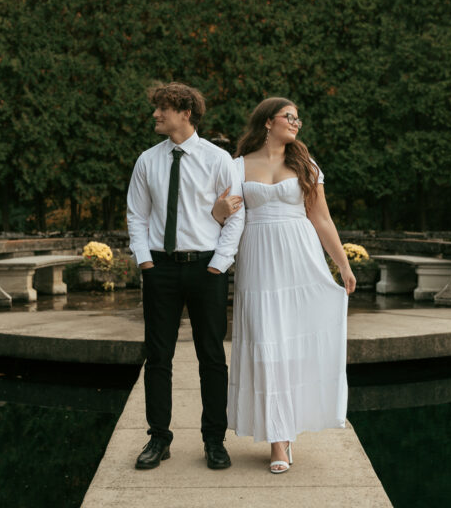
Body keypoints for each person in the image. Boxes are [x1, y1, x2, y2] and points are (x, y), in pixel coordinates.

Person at [213, 97, 355, 473]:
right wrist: (218, 211)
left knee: (294, 342)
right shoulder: (236, 165)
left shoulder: (306, 166)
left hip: (300, 256)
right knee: (265, 343)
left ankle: (283, 438)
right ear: (267, 122)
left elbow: (321, 219)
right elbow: (219, 215)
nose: (296, 123)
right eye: (289, 117)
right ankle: (277, 434)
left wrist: (342, 265)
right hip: (258, 258)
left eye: (298, 118)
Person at [126, 82, 244, 470]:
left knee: (211, 356)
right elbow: (137, 215)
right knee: (158, 356)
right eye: (156, 108)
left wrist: (219, 263)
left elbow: (237, 214)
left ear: (185, 112)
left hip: (206, 267)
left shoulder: (218, 159)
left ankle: (214, 440)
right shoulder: (147, 161)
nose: (156, 115)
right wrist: (145, 261)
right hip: (159, 268)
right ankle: (159, 438)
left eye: (163, 108)